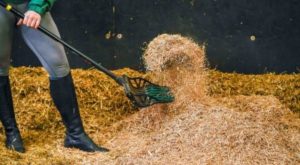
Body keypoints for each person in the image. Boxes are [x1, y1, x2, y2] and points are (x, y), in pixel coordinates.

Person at [0, 0, 109, 153]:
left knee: (58, 64)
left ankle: (75, 135)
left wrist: (37, 7)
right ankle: (12, 133)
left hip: (30, 4)